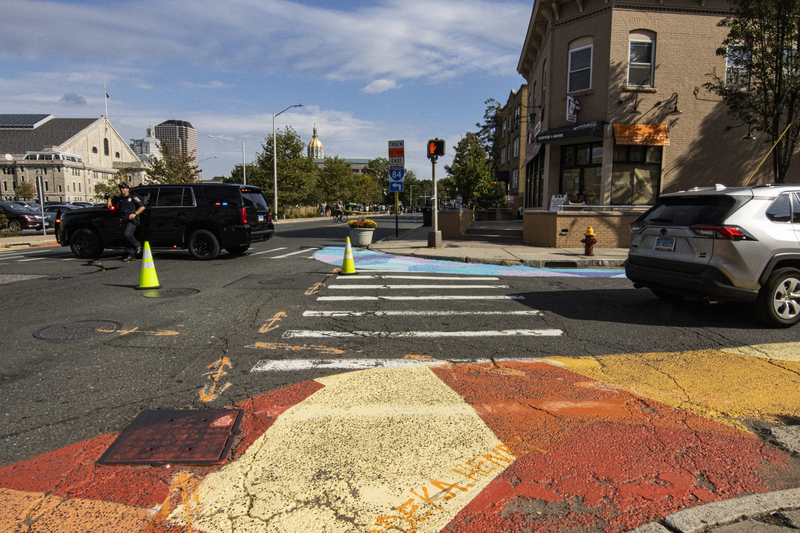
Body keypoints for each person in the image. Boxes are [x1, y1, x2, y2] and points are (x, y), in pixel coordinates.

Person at [108, 183, 145, 262]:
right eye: (121, 188)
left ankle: (137, 245)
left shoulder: (133, 197)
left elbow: (142, 207)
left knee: (127, 234)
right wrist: (109, 200)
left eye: (124, 188)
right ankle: (130, 254)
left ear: (128, 189)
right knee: (125, 237)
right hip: (123, 219)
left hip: (131, 220)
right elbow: (112, 200)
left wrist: (135, 213)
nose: (122, 190)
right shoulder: (119, 198)